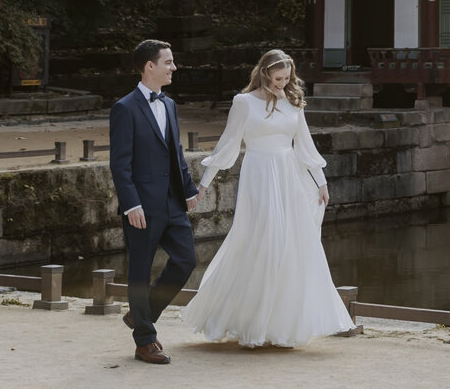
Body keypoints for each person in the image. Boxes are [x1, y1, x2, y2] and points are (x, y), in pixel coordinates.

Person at [181, 49, 354, 347]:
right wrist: (204, 185)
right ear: (264, 74)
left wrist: (321, 182)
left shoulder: (293, 102)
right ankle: (250, 321)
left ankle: (281, 324)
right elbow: (227, 146)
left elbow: (304, 145)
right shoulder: (244, 103)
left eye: (287, 78)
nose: (282, 84)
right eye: (277, 78)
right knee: (264, 239)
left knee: (291, 243)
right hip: (259, 174)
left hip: (290, 175)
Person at [109, 39, 201, 365]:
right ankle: (144, 341)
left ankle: (141, 314)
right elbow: (120, 163)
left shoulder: (170, 105)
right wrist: (131, 204)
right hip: (142, 208)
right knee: (139, 272)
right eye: (168, 62)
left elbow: (175, 153)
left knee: (186, 260)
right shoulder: (124, 108)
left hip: (172, 203)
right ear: (150, 66)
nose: (173, 67)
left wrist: (188, 190)